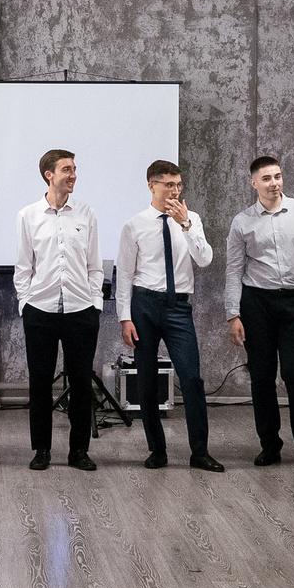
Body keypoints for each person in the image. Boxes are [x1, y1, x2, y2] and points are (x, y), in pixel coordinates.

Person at [115, 160, 224, 474]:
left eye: (178, 185)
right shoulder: (134, 225)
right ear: (152, 186)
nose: (176, 191)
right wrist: (125, 318)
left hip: (178, 307)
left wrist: (185, 224)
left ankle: (200, 452)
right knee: (147, 380)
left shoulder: (191, 219)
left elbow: (204, 259)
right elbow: (125, 275)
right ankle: (157, 450)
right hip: (144, 305)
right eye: (169, 185)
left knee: (191, 378)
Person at [225, 156, 294, 468]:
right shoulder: (242, 222)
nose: (274, 183)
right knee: (261, 376)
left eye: (278, 176)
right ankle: (269, 445)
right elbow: (233, 270)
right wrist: (233, 314)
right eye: (267, 178)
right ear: (253, 183)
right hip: (256, 304)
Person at [14, 149, 103, 472]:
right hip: (40, 310)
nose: (73, 175)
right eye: (67, 169)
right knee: (39, 384)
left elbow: (95, 266)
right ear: (49, 175)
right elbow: (23, 267)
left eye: (74, 169)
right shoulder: (28, 215)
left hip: (81, 310)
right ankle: (41, 450)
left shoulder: (86, 214)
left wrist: (95, 303)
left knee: (81, 384)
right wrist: (26, 303)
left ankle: (79, 451)